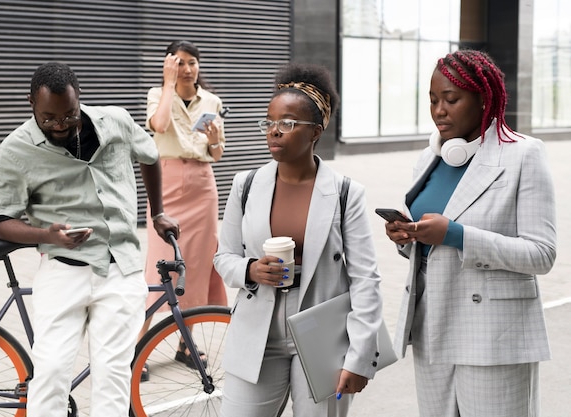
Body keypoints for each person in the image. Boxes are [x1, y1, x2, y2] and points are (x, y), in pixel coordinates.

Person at [0, 61, 179, 417]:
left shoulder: (116, 121)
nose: (60, 125)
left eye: (68, 115)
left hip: (120, 268)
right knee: (51, 373)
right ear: (31, 103)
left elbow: (149, 155)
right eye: (48, 118)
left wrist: (157, 212)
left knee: (113, 376)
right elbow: (0, 220)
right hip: (62, 271)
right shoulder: (15, 149)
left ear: (79, 100)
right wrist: (48, 236)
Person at [384, 49, 557, 417]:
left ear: (483, 100)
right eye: (432, 101)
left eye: (451, 99)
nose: (439, 111)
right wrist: (408, 238)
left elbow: (541, 254)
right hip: (431, 325)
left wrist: (458, 235)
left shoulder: (524, 155)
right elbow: (431, 248)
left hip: (493, 335)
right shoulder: (430, 158)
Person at [214, 62, 383, 417]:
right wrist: (250, 269)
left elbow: (366, 278)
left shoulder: (345, 192)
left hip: (324, 332)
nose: (274, 131)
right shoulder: (245, 185)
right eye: (269, 122)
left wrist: (360, 356)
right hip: (258, 329)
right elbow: (223, 256)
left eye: (288, 123)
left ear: (316, 131)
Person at [141, 40, 228, 371]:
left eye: (192, 62)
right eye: (179, 62)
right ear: (168, 65)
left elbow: (216, 154)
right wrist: (167, 84)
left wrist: (214, 137)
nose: (187, 68)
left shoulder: (212, 101)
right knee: (158, 266)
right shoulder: (157, 93)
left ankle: (186, 345)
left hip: (202, 186)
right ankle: (138, 346)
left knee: (194, 264)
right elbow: (159, 126)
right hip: (167, 182)